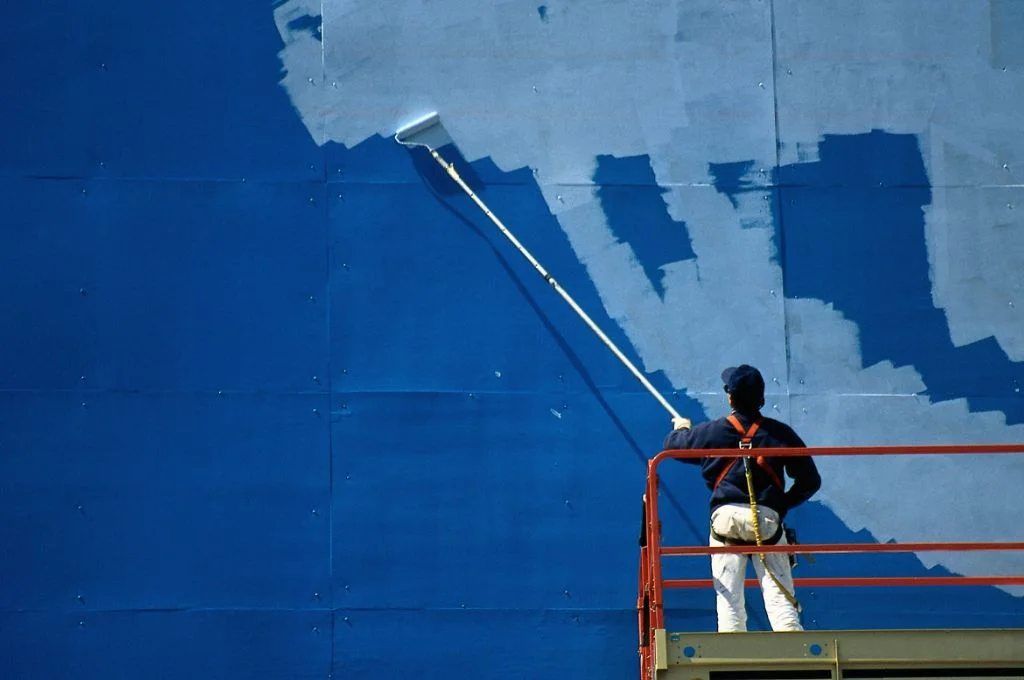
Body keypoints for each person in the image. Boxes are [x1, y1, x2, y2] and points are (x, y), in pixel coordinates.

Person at [663, 364, 821, 632]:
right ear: (761, 396)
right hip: (767, 520)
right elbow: (810, 481)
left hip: (726, 521)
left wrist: (681, 428)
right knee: (779, 598)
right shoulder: (780, 434)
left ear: (730, 397)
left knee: (729, 601)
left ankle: (731, 661)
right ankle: (799, 654)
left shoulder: (713, 432)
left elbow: (674, 446)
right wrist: (781, 504)